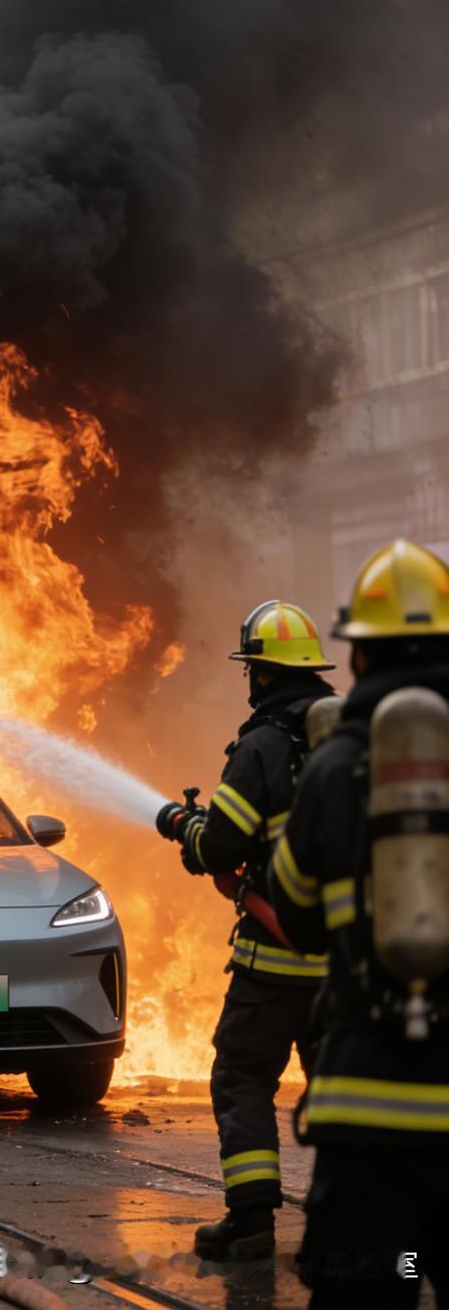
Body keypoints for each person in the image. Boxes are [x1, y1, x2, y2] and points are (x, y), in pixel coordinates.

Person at [271, 541, 449, 1307]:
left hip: (366, 1108)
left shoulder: (334, 763)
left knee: (371, 1287)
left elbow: (299, 918)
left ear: (362, 657)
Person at [157, 600, 335, 1260]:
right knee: (345, 1093)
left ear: (260, 674)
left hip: (273, 963)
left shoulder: (263, 745)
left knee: (241, 1077)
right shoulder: (355, 738)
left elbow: (220, 845)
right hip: (348, 962)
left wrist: (188, 828)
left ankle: (253, 1220)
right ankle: (356, 1223)